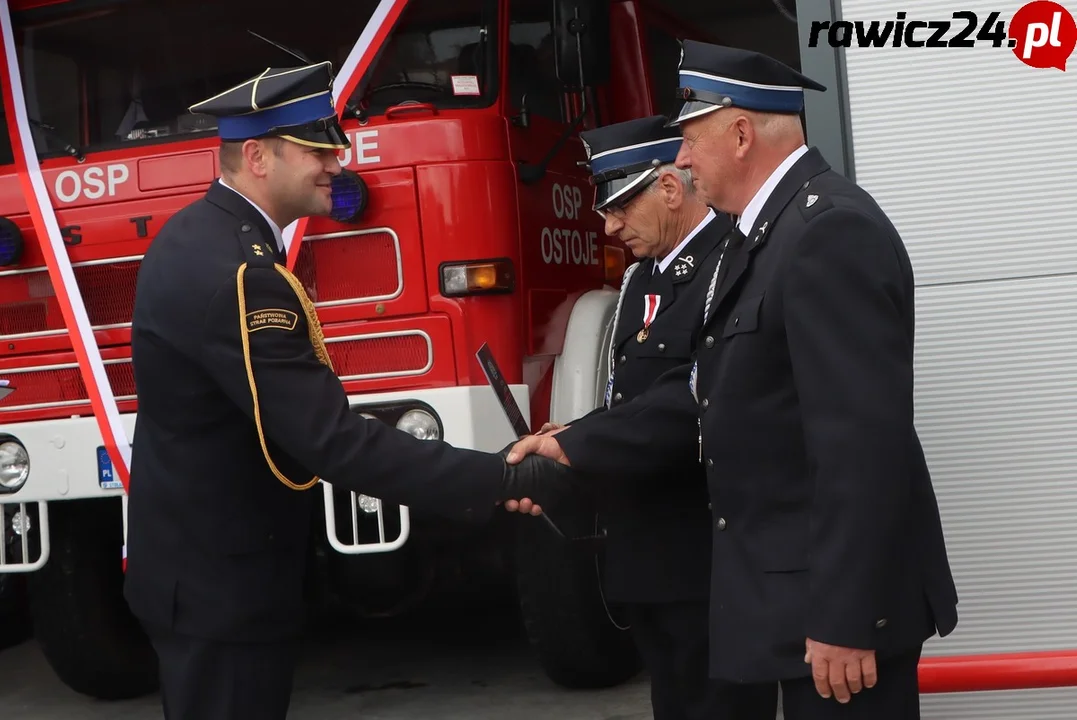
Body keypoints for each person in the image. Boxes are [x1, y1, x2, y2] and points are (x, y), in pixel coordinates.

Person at [506, 41, 959, 720]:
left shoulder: (826, 233)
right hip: (790, 605)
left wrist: (845, 617)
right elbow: (722, 398)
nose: (681, 159)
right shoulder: (764, 240)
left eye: (689, 137)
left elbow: (861, 448)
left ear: (740, 133)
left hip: (836, 621)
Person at [125, 61, 574, 720]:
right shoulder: (241, 274)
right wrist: (508, 480)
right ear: (256, 156)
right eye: (316, 150)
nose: (337, 163)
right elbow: (334, 444)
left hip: (204, 576)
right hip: (222, 588)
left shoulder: (200, 238)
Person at [540, 115, 743, 720]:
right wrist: (574, 435)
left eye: (620, 209)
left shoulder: (729, 265)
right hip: (646, 553)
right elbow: (625, 398)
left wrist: (581, 441)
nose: (608, 226)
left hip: (702, 557)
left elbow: (694, 402)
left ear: (671, 190)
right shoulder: (637, 280)